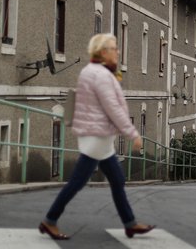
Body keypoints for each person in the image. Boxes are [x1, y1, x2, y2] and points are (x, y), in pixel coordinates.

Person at [39, 34, 155, 240]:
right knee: (78, 181)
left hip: (98, 136)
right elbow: (113, 108)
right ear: (102, 53)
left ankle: (130, 223)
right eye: (113, 48)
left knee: (117, 179)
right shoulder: (100, 75)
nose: (118, 51)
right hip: (96, 136)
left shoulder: (91, 71)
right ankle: (50, 220)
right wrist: (133, 133)